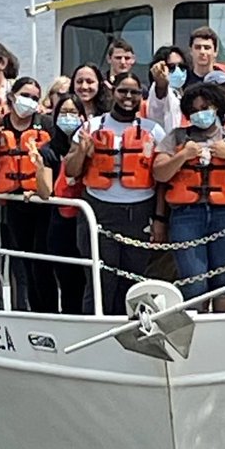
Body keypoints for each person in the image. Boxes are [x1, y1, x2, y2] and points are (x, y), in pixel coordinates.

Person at [64, 73, 166, 315]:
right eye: (123, 91)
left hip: (139, 212)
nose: (128, 97)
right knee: (101, 281)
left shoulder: (154, 131)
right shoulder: (91, 127)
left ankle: (132, 329)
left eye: (134, 92)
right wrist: (83, 151)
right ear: (113, 92)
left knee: (133, 280)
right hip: (99, 210)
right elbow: (70, 170)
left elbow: (161, 181)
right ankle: (95, 328)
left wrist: (160, 220)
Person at [153, 82, 225, 312]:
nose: (201, 113)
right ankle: (197, 330)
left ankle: (223, 331)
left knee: (224, 282)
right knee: (193, 282)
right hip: (186, 216)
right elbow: (159, 172)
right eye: (196, 109)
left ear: (217, 107)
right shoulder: (176, 137)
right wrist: (183, 156)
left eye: (206, 107)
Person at [0, 76, 56, 312]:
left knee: (44, 262)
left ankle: (48, 311)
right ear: (12, 96)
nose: (29, 101)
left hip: (42, 203)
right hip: (13, 205)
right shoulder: (0, 127)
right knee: (23, 263)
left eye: (34, 98)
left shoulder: (46, 125)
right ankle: (27, 310)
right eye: (25, 95)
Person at [39, 93, 88, 314]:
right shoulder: (47, 151)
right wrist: (38, 166)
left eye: (74, 113)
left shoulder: (91, 146)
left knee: (89, 281)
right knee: (69, 283)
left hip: (87, 223)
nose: (69, 118)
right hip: (60, 225)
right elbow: (46, 191)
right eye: (64, 113)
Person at [146, 45, 189, 131]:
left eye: (181, 66)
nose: (178, 71)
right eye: (171, 67)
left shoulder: (182, 95)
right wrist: (161, 81)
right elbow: (160, 97)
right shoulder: (157, 91)